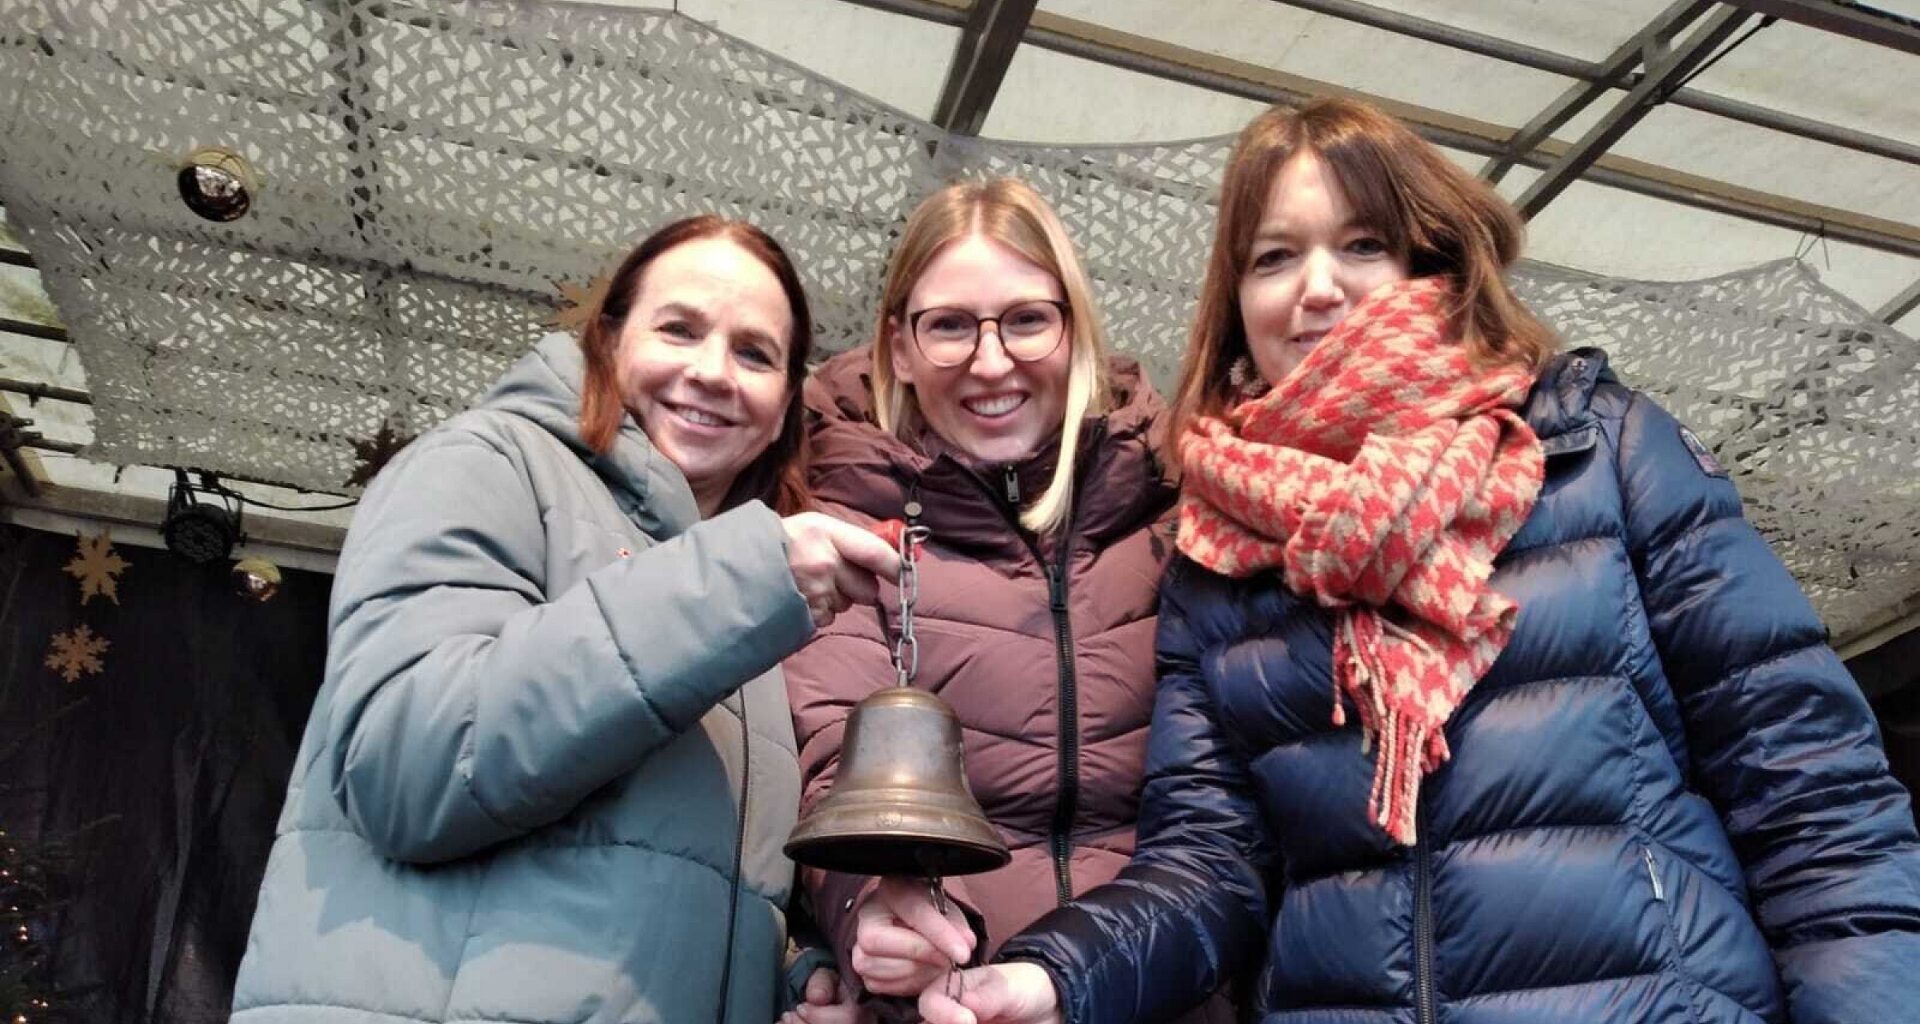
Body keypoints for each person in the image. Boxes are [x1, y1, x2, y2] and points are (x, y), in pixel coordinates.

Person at [918, 98, 1920, 1024]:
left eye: (1363, 243)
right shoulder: (1218, 557)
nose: (1318, 287)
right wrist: (1055, 973)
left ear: (1430, 262)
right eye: (1274, 257)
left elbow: (1812, 790)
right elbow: (1210, 864)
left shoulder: (1594, 453)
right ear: (1237, 301)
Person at [229, 216, 900, 1024]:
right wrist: (743, 582)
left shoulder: (751, 605)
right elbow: (410, 763)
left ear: (787, 399)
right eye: (679, 329)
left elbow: (655, 870)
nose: (713, 372)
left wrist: (794, 979)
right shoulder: (485, 462)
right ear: (608, 340)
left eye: (755, 353)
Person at [780, 178, 1234, 1022]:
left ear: (1076, 331)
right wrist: (869, 911)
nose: (992, 363)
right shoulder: (842, 529)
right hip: (951, 1000)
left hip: (1160, 994)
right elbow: (825, 767)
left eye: (1027, 319)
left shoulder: (1180, 515)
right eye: (949, 325)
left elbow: (1224, 820)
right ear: (900, 348)